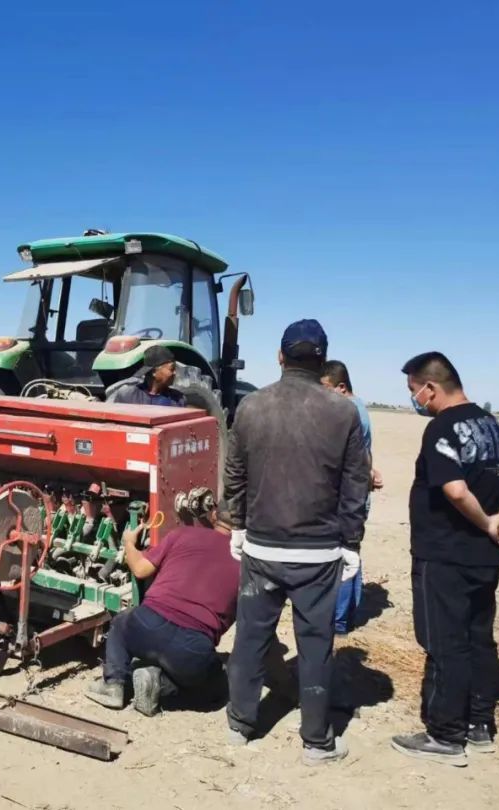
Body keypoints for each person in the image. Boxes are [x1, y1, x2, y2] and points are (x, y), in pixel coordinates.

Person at [223, 319, 369, 765]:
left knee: (250, 636)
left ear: (281, 357)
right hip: (318, 553)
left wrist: (237, 525)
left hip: (263, 550)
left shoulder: (252, 406)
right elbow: (355, 484)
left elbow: (235, 473)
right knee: (315, 643)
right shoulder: (343, 411)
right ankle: (316, 741)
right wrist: (351, 543)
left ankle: (241, 725)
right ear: (322, 359)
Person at [391, 352, 499, 766]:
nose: (415, 399)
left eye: (414, 391)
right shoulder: (492, 425)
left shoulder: (442, 428)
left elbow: (453, 489)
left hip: (445, 553)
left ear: (430, 388)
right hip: (486, 558)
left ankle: (446, 736)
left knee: (443, 641)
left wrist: (487, 522)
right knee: (478, 636)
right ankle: (479, 724)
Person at [85, 507, 239, 717]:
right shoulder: (248, 562)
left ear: (213, 516)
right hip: (193, 647)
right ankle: (158, 685)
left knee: (121, 623)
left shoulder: (183, 533)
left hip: (146, 624)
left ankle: (114, 683)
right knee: (217, 685)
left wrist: (128, 542)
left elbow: (139, 569)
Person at [320, 359, 384, 634]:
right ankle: (347, 614)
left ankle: (339, 621)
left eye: (325, 388)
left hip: (349, 498)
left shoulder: (349, 411)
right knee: (351, 554)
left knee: (342, 557)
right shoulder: (356, 407)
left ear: (341, 386)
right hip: (356, 494)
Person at [105, 345, 188, 407]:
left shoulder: (178, 399)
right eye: (172, 369)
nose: (175, 373)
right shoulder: (127, 395)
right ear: (154, 372)